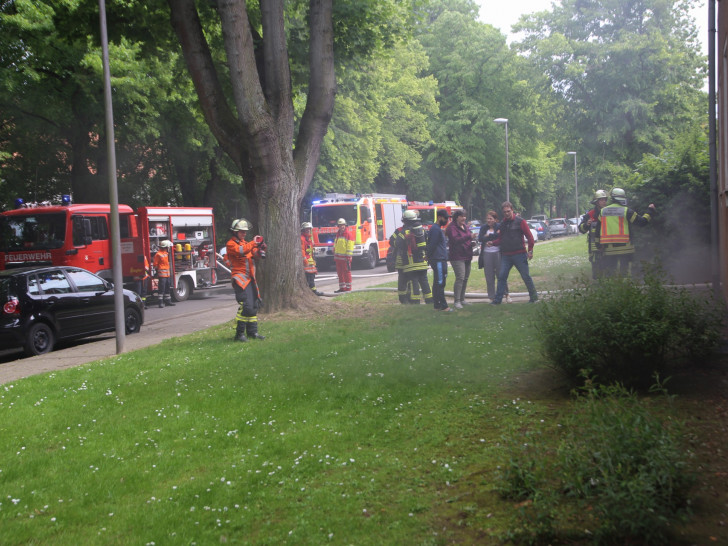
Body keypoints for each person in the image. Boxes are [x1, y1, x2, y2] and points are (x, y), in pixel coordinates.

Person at [598, 188, 656, 277]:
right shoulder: (626, 211)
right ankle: (625, 289)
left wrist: (599, 246)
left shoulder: (603, 211)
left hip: (608, 249)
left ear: (612, 198)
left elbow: (598, 230)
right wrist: (650, 211)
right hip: (626, 249)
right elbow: (642, 222)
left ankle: (612, 289)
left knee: (610, 273)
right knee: (624, 273)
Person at [488, 202, 538, 304]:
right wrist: (492, 243)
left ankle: (534, 298)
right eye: (505, 212)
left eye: (508, 211)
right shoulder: (503, 223)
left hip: (520, 254)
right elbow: (501, 239)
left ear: (512, 210)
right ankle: (497, 301)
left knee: (526, 276)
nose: (507, 213)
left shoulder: (521, 222)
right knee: (502, 277)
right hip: (506, 255)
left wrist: (530, 251)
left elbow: (529, 237)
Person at [227, 218, 266, 342]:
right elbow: (241, 251)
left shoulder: (245, 243)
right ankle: (239, 334)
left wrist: (260, 250)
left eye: (245, 232)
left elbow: (254, 254)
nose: (244, 233)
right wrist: (254, 243)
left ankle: (252, 333)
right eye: (241, 232)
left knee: (254, 305)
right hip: (240, 279)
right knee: (246, 306)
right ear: (235, 232)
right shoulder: (231, 244)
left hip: (249, 279)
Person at [396, 209, 433, 304]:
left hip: (410, 263)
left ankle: (415, 302)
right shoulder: (422, 229)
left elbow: (397, 243)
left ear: (405, 220)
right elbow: (427, 242)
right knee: (425, 281)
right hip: (422, 262)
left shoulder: (404, 232)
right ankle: (429, 300)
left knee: (414, 282)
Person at [478, 210, 510, 302]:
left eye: (491, 219)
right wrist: (490, 237)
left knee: (501, 275)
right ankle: (491, 297)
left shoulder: (499, 226)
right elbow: (480, 238)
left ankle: (506, 294)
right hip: (487, 254)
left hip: (498, 253)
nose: (489, 220)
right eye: (487, 218)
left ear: (495, 219)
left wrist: (488, 236)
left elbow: (499, 236)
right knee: (489, 276)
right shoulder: (483, 228)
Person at [445, 209, 474, 309]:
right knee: (460, 277)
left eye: (465, 216)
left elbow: (467, 238)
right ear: (456, 217)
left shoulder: (465, 226)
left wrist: (471, 242)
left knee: (465, 279)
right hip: (457, 257)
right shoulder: (451, 228)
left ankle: (462, 299)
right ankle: (457, 301)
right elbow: (456, 240)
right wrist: (469, 236)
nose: (464, 218)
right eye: (462, 216)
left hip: (467, 255)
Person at [426, 209, 452, 311]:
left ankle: (436, 305)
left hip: (439, 259)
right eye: (446, 218)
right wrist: (428, 255)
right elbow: (432, 245)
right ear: (440, 217)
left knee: (437, 282)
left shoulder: (436, 229)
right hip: (438, 260)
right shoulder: (436, 229)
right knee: (440, 283)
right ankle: (444, 306)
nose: (447, 221)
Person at [579, 189, 608, 279]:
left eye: (605, 200)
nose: (604, 202)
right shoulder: (590, 214)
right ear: (596, 202)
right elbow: (581, 229)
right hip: (594, 250)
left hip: (608, 247)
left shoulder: (609, 212)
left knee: (609, 272)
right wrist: (586, 224)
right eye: (601, 200)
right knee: (597, 274)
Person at [388, 224, 412, 304]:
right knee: (404, 279)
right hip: (404, 259)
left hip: (409, 259)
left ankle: (408, 298)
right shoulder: (399, 230)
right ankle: (404, 299)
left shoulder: (402, 230)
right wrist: (400, 245)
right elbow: (391, 241)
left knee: (409, 280)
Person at [300, 222, 323, 296]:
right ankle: (312, 292)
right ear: (303, 230)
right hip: (306, 262)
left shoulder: (309, 239)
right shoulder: (302, 239)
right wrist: (305, 260)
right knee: (308, 278)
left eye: (309, 229)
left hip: (310, 262)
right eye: (306, 230)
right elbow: (302, 250)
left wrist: (313, 260)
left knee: (312, 277)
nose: (308, 231)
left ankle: (313, 291)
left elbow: (311, 252)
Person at [153, 240, 176, 308]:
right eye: (168, 247)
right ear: (165, 247)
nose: (168, 248)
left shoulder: (166, 253)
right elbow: (155, 265)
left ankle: (168, 301)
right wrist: (157, 272)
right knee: (161, 288)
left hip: (167, 275)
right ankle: (160, 302)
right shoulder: (158, 254)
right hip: (162, 275)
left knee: (167, 288)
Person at [333, 218, 354, 292]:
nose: (342, 226)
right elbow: (336, 243)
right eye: (340, 225)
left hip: (345, 259)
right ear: (338, 226)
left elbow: (350, 246)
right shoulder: (338, 234)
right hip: (338, 259)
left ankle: (348, 288)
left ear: (345, 225)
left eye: (343, 225)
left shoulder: (348, 234)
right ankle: (342, 288)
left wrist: (348, 256)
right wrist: (334, 250)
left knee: (346, 273)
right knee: (340, 274)